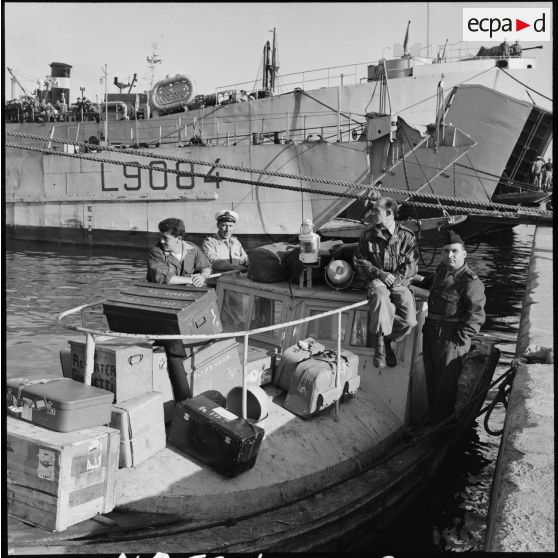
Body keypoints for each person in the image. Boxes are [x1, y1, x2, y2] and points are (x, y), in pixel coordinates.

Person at [420, 230, 486, 425]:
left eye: (455, 251)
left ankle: (442, 429)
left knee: (446, 386)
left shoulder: (470, 282)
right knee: (432, 381)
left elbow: (476, 317)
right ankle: (435, 423)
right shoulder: (441, 272)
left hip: (451, 338)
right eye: (446, 251)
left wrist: (459, 339)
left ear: (464, 254)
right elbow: (428, 285)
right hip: (431, 333)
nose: (450, 255)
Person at [353, 196, 418, 369]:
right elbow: (359, 261)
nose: (372, 213)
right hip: (377, 281)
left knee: (410, 322)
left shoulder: (407, 236)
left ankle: (389, 338)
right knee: (381, 299)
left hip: (399, 283)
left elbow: (411, 265)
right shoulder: (367, 235)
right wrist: (379, 275)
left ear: (389, 213)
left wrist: (394, 279)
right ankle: (380, 346)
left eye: (376, 210)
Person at [146, 217, 211, 286]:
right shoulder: (156, 252)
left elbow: (206, 267)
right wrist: (192, 280)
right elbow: (162, 278)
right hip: (161, 292)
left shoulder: (193, 249)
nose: (162, 241)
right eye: (161, 237)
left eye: (165, 238)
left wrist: (202, 276)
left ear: (179, 239)